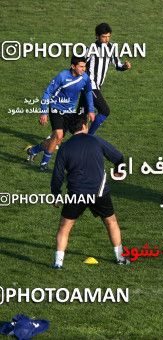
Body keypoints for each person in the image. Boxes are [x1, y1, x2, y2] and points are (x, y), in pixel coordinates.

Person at [50, 113, 129, 268]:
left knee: (64, 227)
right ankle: (120, 258)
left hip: (76, 194)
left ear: (70, 129)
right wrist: (119, 169)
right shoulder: (96, 141)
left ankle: (58, 263)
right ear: (85, 125)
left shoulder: (65, 148)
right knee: (111, 223)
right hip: (99, 192)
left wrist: (56, 195)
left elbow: (57, 175)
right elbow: (118, 157)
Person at [25, 56, 95, 171]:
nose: (84, 69)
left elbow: (88, 92)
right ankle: (44, 164)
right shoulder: (62, 76)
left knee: (57, 139)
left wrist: (91, 110)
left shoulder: (85, 78)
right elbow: (48, 92)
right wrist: (43, 112)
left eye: (85, 66)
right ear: (73, 66)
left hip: (70, 111)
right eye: (81, 66)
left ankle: (33, 151)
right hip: (56, 108)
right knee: (58, 135)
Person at [78, 22, 132, 135]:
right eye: (104, 37)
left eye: (108, 36)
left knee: (79, 119)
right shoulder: (91, 49)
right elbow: (80, 65)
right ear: (97, 36)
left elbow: (117, 65)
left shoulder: (112, 48)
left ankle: (35, 149)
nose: (107, 39)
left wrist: (125, 66)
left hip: (96, 86)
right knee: (104, 110)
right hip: (90, 86)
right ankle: (89, 137)